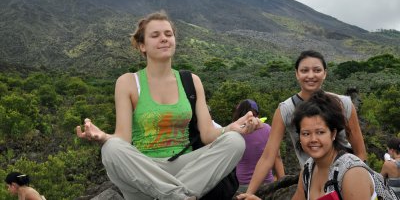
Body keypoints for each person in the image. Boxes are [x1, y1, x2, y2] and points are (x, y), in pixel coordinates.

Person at [76, 11, 261, 200]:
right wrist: (103, 137)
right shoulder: (128, 82)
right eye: (155, 36)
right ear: (142, 46)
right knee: (111, 148)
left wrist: (232, 127)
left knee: (235, 141)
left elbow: (207, 134)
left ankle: (171, 195)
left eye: (168, 34)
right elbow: (122, 138)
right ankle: (177, 196)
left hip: (187, 167)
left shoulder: (191, 81)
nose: (164, 39)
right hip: (144, 170)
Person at [237, 50, 367, 199]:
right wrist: (249, 193)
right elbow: (268, 156)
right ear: (297, 74)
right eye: (304, 70)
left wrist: (357, 176)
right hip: (310, 178)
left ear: (325, 73)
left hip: (344, 175)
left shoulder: (343, 104)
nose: (311, 75)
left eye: (317, 70)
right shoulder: (285, 110)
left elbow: (360, 152)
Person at [290, 90, 376, 200]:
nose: (313, 139)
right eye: (306, 133)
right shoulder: (308, 170)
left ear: (333, 133)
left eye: (320, 132)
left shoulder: (352, 172)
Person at [233, 99, 285, 193]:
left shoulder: (234, 132)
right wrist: (283, 183)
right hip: (267, 183)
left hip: (243, 185)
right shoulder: (267, 129)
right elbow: (277, 157)